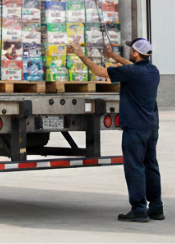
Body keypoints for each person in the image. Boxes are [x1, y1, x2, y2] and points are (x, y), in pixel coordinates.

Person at [67, 38, 163, 222]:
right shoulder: (153, 70)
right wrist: (112, 55)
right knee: (151, 165)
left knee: (135, 167)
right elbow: (131, 66)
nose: (129, 53)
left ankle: (139, 209)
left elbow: (99, 71)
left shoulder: (132, 72)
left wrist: (81, 55)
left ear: (135, 53)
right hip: (151, 126)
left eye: (131, 50)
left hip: (135, 127)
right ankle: (156, 207)